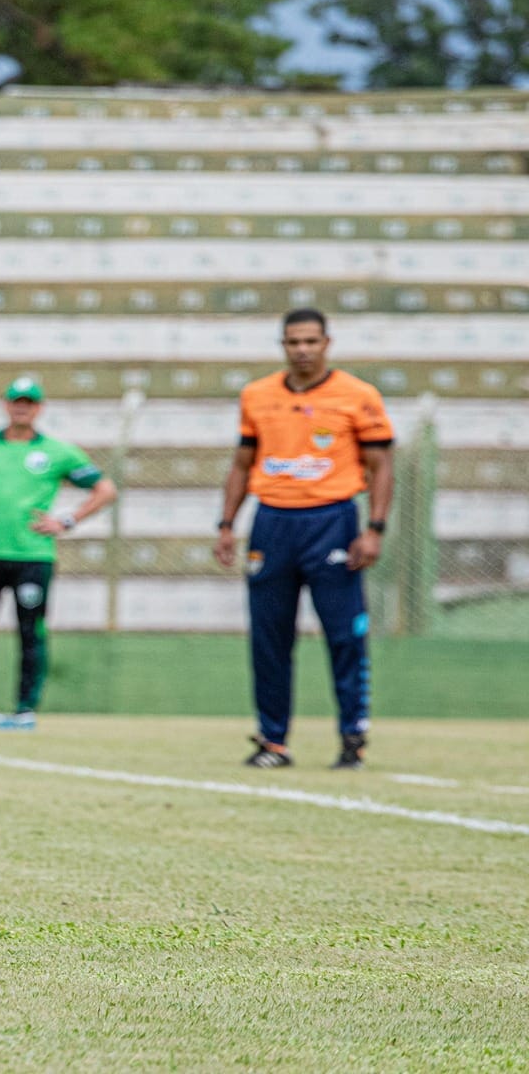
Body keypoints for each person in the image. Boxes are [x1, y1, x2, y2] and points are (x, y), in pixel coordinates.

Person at [214, 309, 393, 770]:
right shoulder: (257, 395)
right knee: (269, 637)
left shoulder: (357, 395)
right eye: (294, 342)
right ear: (283, 345)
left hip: (332, 520)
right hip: (272, 521)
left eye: (311, 341)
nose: (303, 350)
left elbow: (380, 466)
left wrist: (374, 528)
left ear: (327, 343)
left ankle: (353, 736)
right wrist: (227, 524)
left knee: (344, 636)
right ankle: (273, 741)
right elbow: (241, 463)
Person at [0, 377, 117, 729]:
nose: (22, 406)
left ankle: (25, 709)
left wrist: (67, 520)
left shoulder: (58, 452)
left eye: (29, 401)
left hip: (33, 556)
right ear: (6, 404)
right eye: (17, 400)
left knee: (31, 633)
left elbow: (105, 489)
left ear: (39, 408)